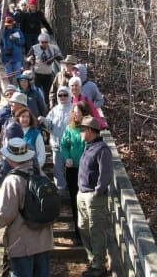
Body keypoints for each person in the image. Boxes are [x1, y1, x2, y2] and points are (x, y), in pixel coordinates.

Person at [0, 138, 54, 277]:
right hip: (44, 240)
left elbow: (4, 214)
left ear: (11, 159)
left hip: (22, 243)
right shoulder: (40, 174)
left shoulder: (13, 180)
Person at [77, 116, 114, 277]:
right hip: (82, 194)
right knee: (83, 227)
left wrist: (97, 191)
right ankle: (93, 260)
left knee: (96, 230)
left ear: (91, 131)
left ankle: (98, 266)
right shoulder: (88, 146)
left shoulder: (102, 149)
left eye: (82, 130)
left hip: (93, 196)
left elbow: (106, 173)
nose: (80, 133)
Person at [60, 101, 92, 245]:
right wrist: (67, 158)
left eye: (79, 113)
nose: (77, 115)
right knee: (74, 200)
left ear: (84, 114)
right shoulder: (69, 128)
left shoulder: (90, 129)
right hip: (72, 170)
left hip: (86, 171)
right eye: (75, 113)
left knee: (85, 201)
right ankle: (78, 233)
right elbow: (64, 145)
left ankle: (88, 232)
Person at [0, 122, 40, 187]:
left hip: (16, 191)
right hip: (33, 187)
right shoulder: (30, 148)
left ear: (7, 138)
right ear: (22, 135)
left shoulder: (8, 157)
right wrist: (2, 151)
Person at [38, 86, 71, 193]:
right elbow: (49, 126)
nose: (62, 97)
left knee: (72, 169)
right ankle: (60, 190)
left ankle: (72, 190)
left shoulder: (74, 108)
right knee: (58, 170)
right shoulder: (54, 110)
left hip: (71, 146)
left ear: (69, 95)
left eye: (65, 95)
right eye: (60, 95)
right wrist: (44, 120)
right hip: (57, 145)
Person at [27, 33, 62, 105]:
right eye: (42, 42)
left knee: (48, 92)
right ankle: (37, 104)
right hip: (37, 74)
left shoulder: (53, 48)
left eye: (46, 42)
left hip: (48, 74)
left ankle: (47, 105)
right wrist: (29, 62)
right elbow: (28, 59)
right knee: (37, 91)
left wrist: (58, 58)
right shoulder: (34, 48)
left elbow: (59, 58)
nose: (44, 44)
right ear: (39, 42)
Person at [0, 17, 25, 83]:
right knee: (8, 75)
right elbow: (0, 44)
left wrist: (15, 39)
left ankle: (19, 89)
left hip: (17, 56)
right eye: (7, 25)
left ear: (13, 24)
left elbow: (22, 42)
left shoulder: (17, 31)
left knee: (18, 75)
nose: (9, 26)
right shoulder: (2, 32)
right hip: (6, 57)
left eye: (10, 25)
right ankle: (10, 89)